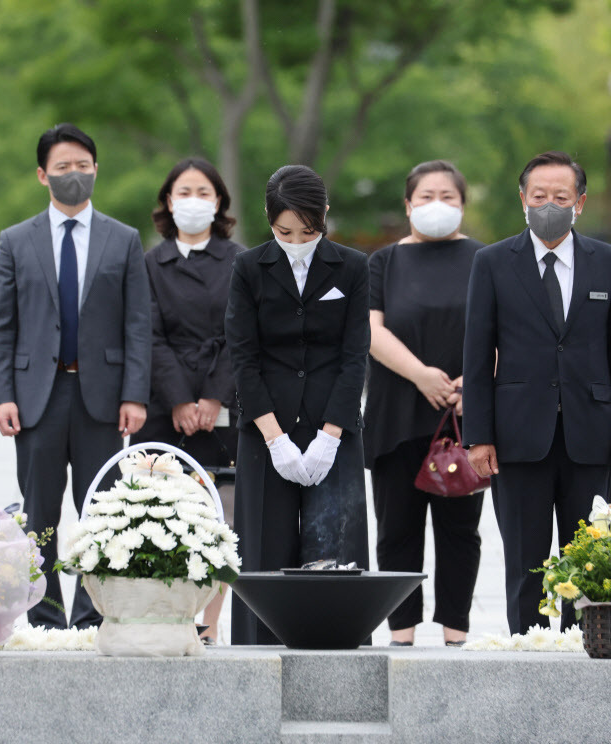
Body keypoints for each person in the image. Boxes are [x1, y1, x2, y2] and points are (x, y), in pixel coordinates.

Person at [0, 123, 151, 629]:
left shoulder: (123, 240)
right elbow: (1, 324)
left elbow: (137, 322)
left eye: (82, 166)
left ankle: (91, 617)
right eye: (62, 167)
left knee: (101, 513)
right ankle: (45, 618)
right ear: (43, 175)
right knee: (39, 515)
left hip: (102, 396)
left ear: (96, 170)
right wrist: (3, 395)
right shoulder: (15, 241)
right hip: (36, 396)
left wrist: (135, 394)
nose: (73, 175)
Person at [463, 151, 611, 635]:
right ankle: (524, 647)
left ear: (580, 203)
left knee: (589, 560)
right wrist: (478, 436)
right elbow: (478, 355)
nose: (550, 204)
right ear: (523, 199)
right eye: (540, 195)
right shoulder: (492, 262)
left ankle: (587, 647)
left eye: (561, 197)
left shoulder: (605, 262)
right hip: (517, 435)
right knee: (526, 560)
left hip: (592, 434)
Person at [225, 164, 370, 645]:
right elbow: (244, 358)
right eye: (285, 231)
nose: (296, 240)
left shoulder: (351, 266)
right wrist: (275, 438)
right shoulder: (249, 268)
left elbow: (354, 357)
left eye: (308, 231)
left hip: (334, 427)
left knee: (338, 552)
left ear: (324, 217)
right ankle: (258, 667)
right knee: (264, 556)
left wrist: (330, 437)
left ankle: (341, 668)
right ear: (269, 221)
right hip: (267, 430)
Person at [364, 160, 484, 647]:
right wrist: (420, 375)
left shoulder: (485, 259)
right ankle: (401, 635)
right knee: (397, 531)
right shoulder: (384, 262)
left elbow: (503, 332)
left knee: (461, 533)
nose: (437, 206)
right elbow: (370, 330)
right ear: (408, 204)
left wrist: (470, 383)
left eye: (448, 197)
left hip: (462, 416)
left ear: (462, 204)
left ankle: (455, 632)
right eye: (427, 196)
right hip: (397, 412)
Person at [130, 157, 243, 645]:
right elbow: (147, 335)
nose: (193, 201)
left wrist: (212, 397)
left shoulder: (241, 261)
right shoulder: (148, 263)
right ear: (168, 202)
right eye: (183, 192)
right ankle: (160, 623)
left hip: (224, 405)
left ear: (218, 202)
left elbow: (241, 335)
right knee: (157, 515)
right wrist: (179, 399)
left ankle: (209, 627)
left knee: (221, 519)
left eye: (203, 192)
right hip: (162, 408)